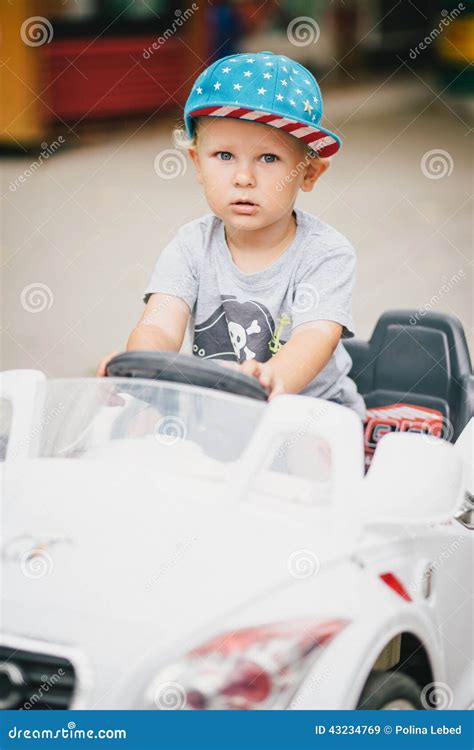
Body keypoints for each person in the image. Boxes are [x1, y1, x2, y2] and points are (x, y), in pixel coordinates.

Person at [97, 50, 366, 420]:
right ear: (197, 164)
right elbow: (159, 321)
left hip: (308, 414)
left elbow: (315, 336)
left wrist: (273, 378)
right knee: (137, 430)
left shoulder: (325, 253)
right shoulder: (190, 247)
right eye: (224, 155)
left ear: (308, 174)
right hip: (216, 410)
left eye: (268, 158)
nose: (243, 178)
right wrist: (141, 363)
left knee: (309, 466)